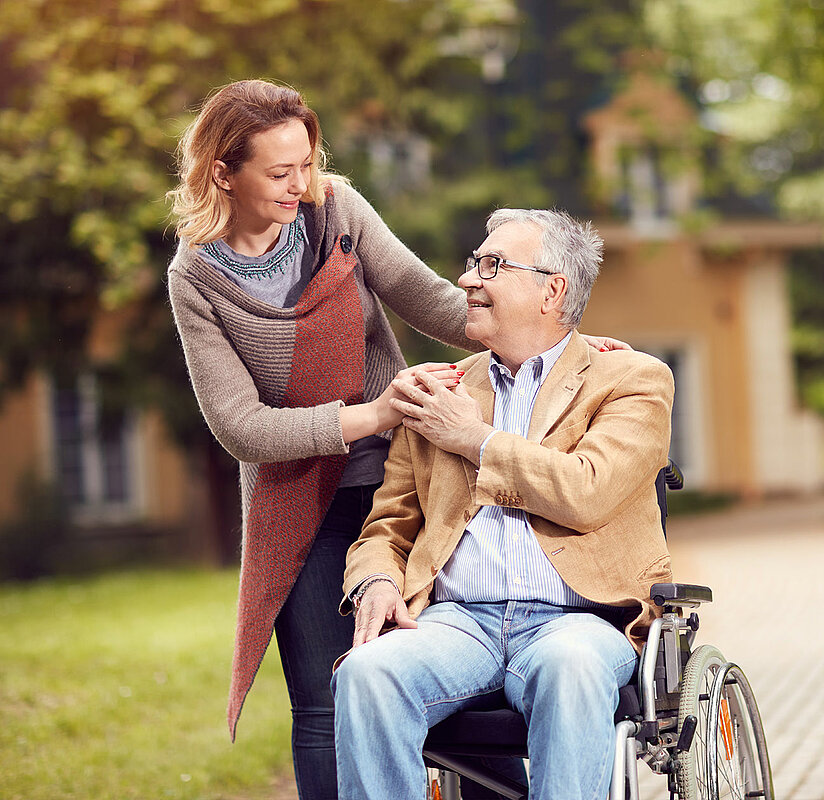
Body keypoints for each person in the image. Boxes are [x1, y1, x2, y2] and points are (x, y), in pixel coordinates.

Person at [165, 80, 622, 800]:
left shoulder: (335, 211)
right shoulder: (196, 278)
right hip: (301, 500)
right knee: (324, 699)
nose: (300, 185)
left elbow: (431, 298)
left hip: (404, 476)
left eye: (307, 163)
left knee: (466, 664)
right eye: (279, 173)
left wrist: (562, 341)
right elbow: (239, 427)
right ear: (224, 172)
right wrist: (373, 415)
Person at [331, 208, 675, 799]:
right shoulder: (441, 389)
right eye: (472, 263)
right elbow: (387, 525)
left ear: (552, 289)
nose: (467, 280)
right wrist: (377, 582)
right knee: (366, 673)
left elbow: (587, 490)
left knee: (571, 669)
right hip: (456, 621)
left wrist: (475, 440)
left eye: (491, 265)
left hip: (579, 620)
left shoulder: (633, 380)